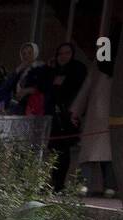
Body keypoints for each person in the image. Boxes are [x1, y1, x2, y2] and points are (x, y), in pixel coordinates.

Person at [70, 53, 115, 197]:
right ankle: (109, 187)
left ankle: (83, 185)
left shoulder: (102, 58)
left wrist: (76, 110)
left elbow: (87, 85)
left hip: (97, 112)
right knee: (108, 153)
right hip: (114, 112)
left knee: (90, 152)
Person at [44, 42, 87, 190]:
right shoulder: (54, 70)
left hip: (68, 116)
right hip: (53, 116)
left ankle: (59, 183)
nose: (63, 56)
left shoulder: (78, 69)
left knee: (64, 149)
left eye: (66, 53)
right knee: (54, 149)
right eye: (60, 53)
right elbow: (48, 89)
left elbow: (77, 93)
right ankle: (54, 180)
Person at [9, 42, 46, 115]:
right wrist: (17, 71)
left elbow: (44, 87)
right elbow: (8, 86)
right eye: (24, 54)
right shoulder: (20, 71)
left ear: (35, 53)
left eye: (29, 53)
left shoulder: (41, 68)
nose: (26, 56)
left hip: (32, 107)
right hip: (19, 106)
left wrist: (28, 90)